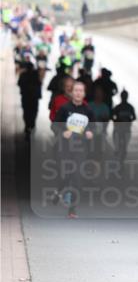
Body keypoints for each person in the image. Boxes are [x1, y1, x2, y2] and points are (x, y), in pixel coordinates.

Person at [53, 80, 95, 218]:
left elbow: (94, 127)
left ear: (84, 94)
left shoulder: (88, 110)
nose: (78, 93)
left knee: (76, 178)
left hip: (80, 149)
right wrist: (62, 132)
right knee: (65, 175)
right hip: (65, 148)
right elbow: (54, 126)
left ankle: (72, 209)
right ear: (72, 92)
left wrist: (90, 133)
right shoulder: (65, 109)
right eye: (75, 90)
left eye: (80, 91)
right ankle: (58, 191)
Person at [17, 59, 42, 138]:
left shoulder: (23, 75)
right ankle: (32, 125)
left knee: (26, 112)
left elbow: (19, 83)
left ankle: (28, 126)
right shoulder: (36, 74)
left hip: (26, 97)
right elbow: (39, 84)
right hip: (34, 98)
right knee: (33, 112)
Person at [111, 89, 137, 161]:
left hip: (126, 129)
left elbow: (134, 117)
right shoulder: (119, 107)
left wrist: (128, 121)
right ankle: (118, 151)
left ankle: (121, 156)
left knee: (124, 145)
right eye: (123, 96)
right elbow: (112, 116)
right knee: (118, 142)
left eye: (125, 96)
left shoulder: (129, 107)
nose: (124, 97)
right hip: (119, 128)